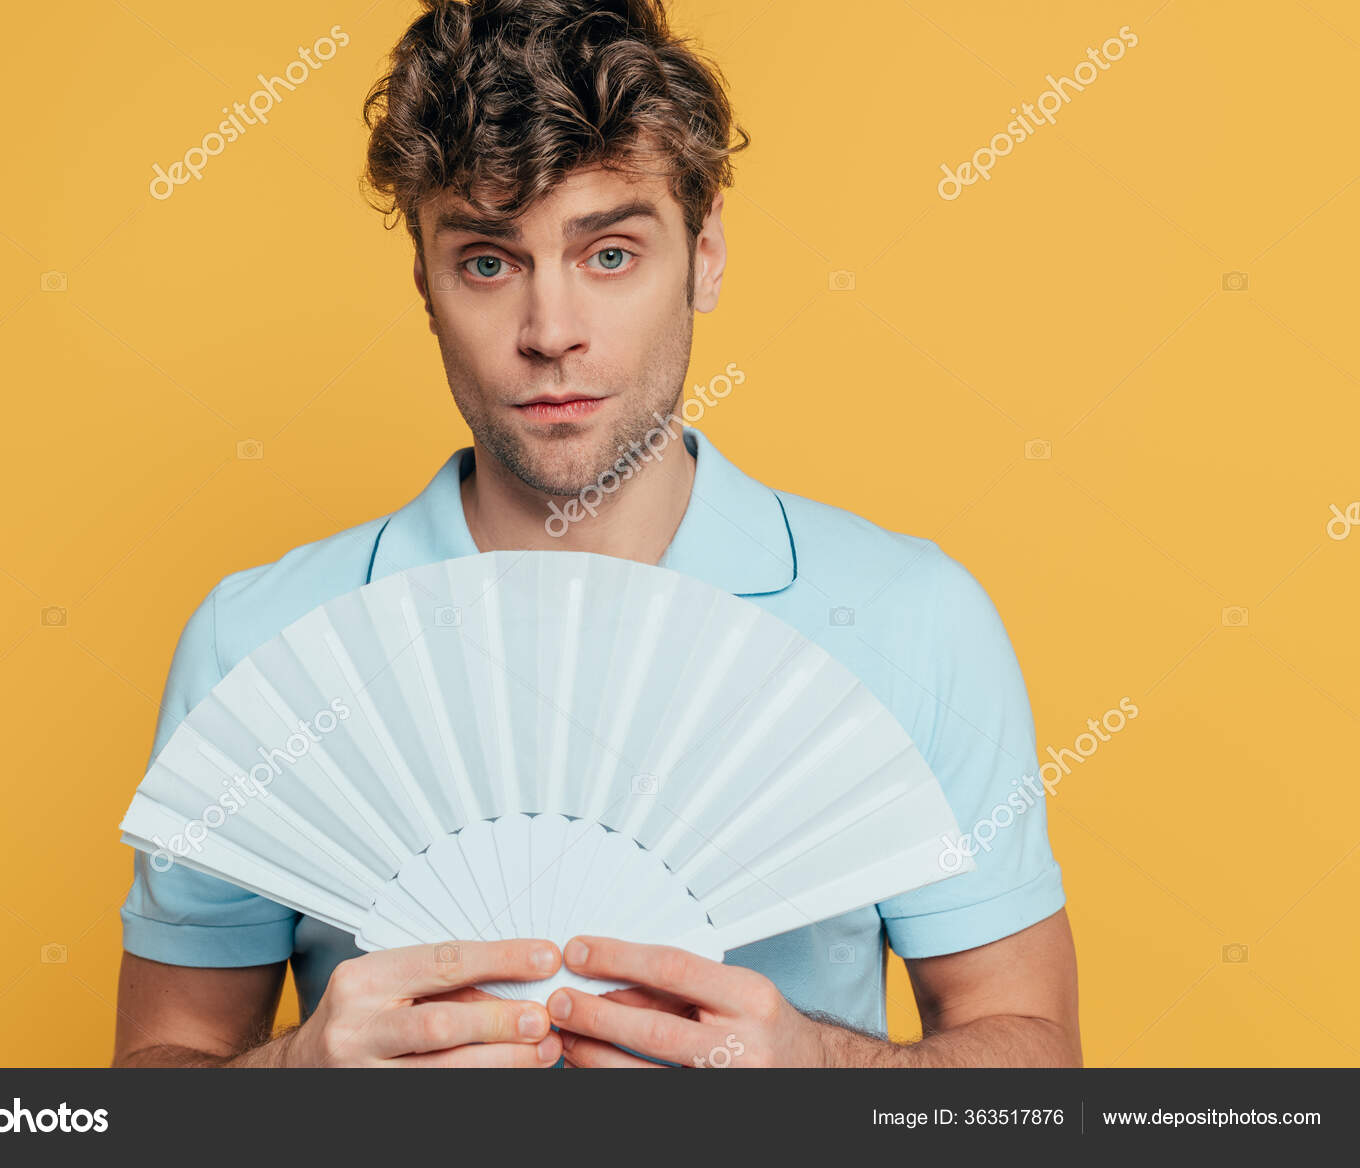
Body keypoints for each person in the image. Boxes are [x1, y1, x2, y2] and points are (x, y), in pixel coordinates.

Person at [112, 0, 1078, 1068]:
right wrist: (296, 1082)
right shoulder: (261, 644)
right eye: (488, 261)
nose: (550, 331)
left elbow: (1032, 1065)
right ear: (424, 286)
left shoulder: (911, 618)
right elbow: (155, 1077)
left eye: (609, 253)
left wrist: (824, 1072)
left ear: (704, 254)